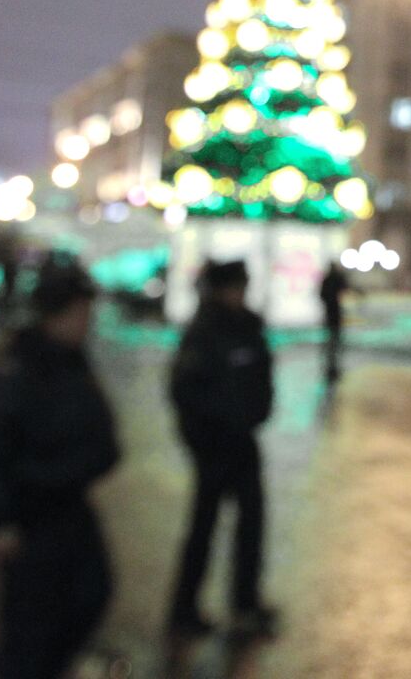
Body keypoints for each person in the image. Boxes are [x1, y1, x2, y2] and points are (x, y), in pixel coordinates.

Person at [0, 266, 119, 679]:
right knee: (29, 633)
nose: (88, 323)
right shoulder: (19, 371)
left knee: (89, 594)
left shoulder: (70, 362)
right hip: (31, 519)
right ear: (55, 314)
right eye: (80, 313)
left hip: (69, 508)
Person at [167, 260, 277, 639]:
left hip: (242, 443)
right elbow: (184, 392)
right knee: (204, 530)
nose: (240, 294)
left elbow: (261, 377)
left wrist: (258, 413)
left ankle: (244, 604)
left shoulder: (248, 326)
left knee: (252, 527)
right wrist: (203, 440)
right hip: (214, 449)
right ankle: (183, 611)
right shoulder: (205, 332)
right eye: (235, 287)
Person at [318, 262, 349, 384]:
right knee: (335, 335)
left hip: (330, 310)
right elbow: (345, 287)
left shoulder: (328, 279)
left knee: (332, 335)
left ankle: (331, 356)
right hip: (334, 310)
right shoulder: (335, 278)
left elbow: (321, 294)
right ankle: (332, 357)